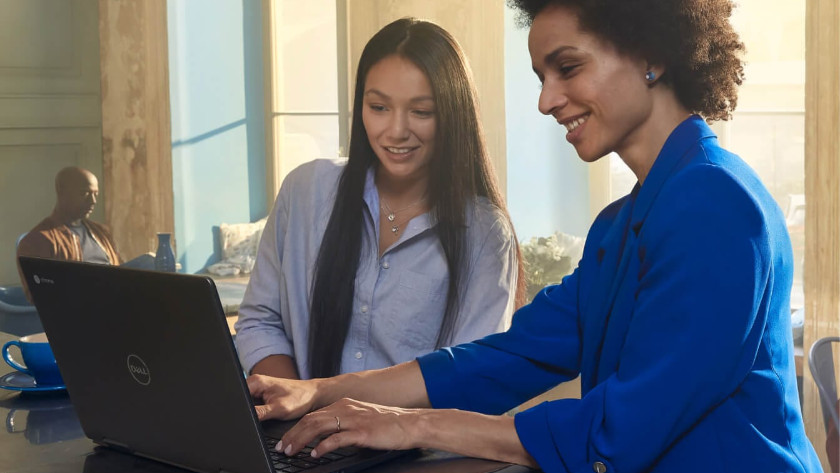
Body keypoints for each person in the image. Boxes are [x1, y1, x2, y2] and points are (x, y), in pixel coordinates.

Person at [244, 1, 825, 472]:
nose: (546, 100)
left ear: (651, 55)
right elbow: (507, 356)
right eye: (541, 77)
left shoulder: (716, 203)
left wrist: (409, 424)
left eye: (567, 68)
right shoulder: (621, 223)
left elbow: (618, 433)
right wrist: (320, 391)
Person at [234, 18, 525, 380]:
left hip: (415, 438)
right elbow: (260, 322)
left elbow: (469, 380)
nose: (396, 131)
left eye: (421, 111)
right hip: (295, 435)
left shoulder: (484, 233)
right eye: (379, 108)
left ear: (453, 115)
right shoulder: (306, 191)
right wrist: (298, 408)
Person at [17, 166, 122, 300]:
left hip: (113, 301)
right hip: (79, 310)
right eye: (84, 193)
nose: (93, 201)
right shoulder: (37, 240)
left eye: (96, 194)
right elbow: (39, 294)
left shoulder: (102, 233)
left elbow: (120, 269)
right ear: (62, 192)